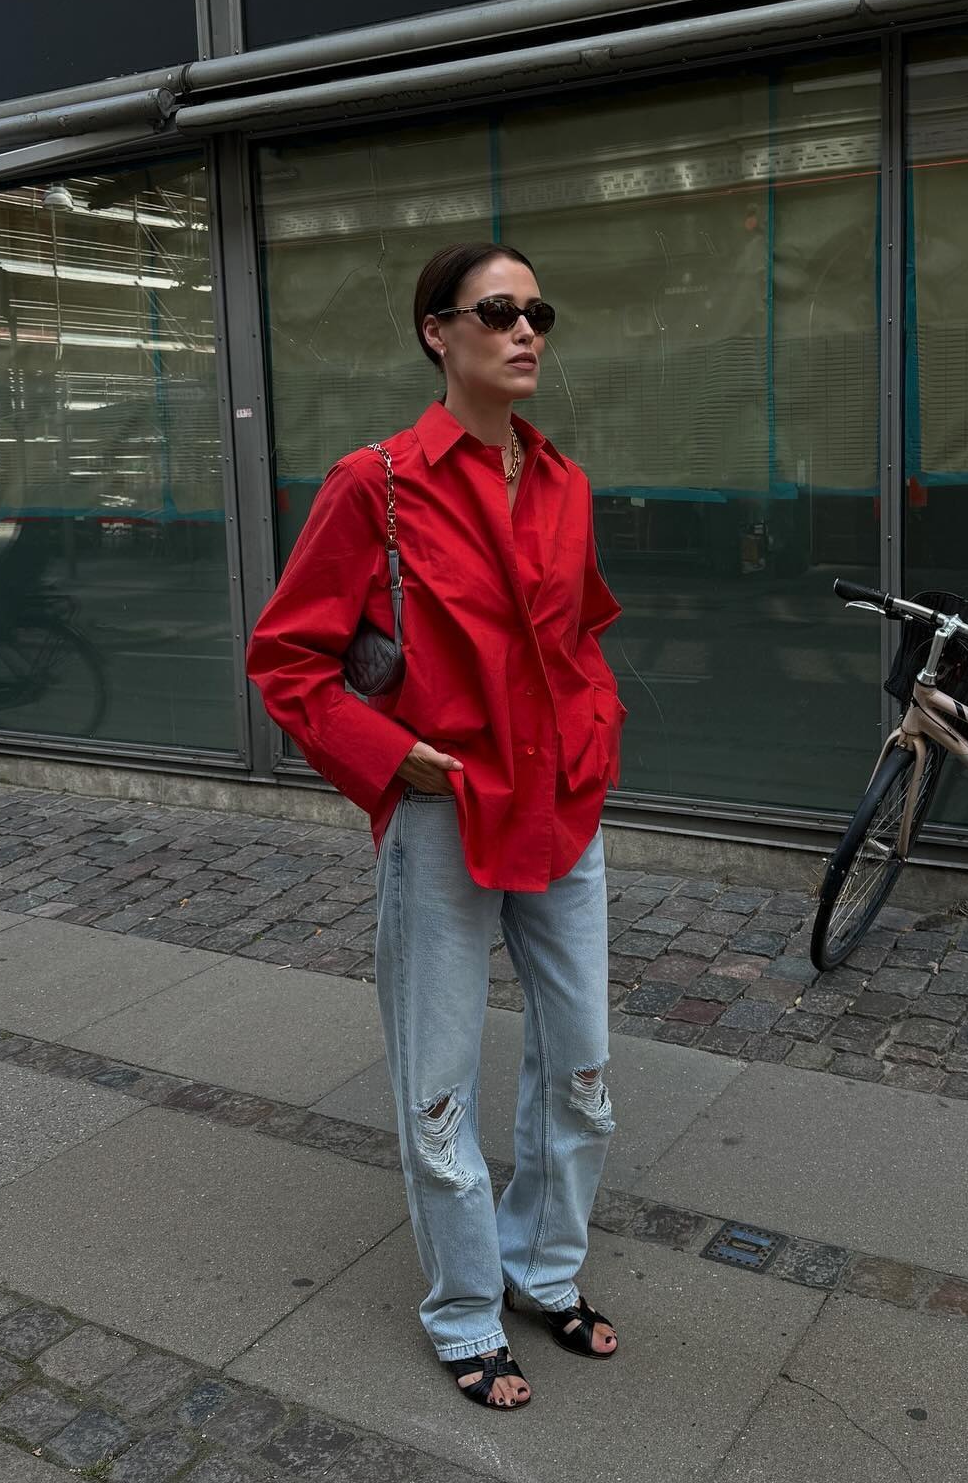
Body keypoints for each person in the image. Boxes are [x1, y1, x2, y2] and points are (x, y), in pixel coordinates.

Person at [245, 242, 625, 1413]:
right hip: (442, 817)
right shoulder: (380, 485)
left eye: (537, 313)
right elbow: (287, 658)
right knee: (439, 1085)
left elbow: (583, 636)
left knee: (585, 1070)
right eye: (498, 312)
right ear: (436, 331)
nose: (526, 333)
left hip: (561, 813)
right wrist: (385, 758)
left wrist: (598, 731)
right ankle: (466, 1308)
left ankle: (542, 1269)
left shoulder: (562, 483)